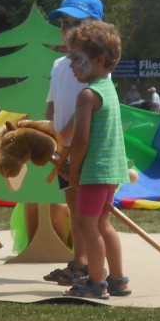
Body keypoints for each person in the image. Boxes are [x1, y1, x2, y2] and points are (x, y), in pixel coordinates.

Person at [35, 0, 106, 287]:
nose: (67, 30)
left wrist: (66, 135)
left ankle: (101, 272)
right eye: (64, 24)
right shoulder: (58, 66)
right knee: (73, 206)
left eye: (75, 23)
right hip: (64, 150)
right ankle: (80, 262)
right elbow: (52, 104)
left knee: (93, 217)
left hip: (87, 150)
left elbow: (88, 106)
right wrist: (50, 134)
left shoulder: (99, 66)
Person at [62, 20, 131, 300]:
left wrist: (73, 169)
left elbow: (80, 140)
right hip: (111, 171)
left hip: (94, 171)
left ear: (99, 60)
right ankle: (118, 280)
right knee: (103, 225)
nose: (71, 66)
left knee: (87, 226)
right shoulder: (109, 89)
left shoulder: (87, 95)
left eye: (77, 59)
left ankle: (97, 282)